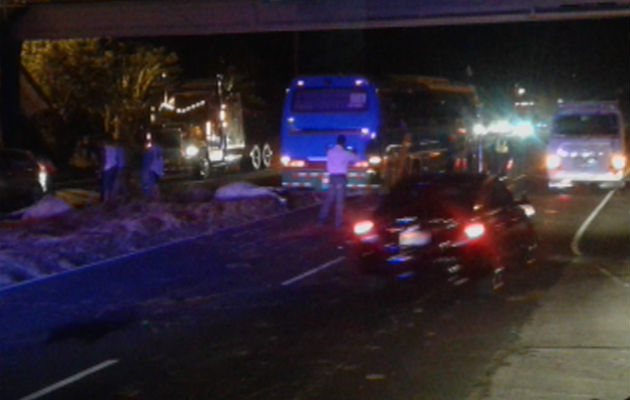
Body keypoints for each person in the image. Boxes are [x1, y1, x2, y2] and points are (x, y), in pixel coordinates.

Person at [317, 135, 360, 228]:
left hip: (331, 178)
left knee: (329, 199)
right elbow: (356, 160)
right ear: (343, 143)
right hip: (341, 178)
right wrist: (354, 153)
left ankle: (321, 220)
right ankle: (338, 224)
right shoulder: (345, 153)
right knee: (339, 201)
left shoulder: (330, 152)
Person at [100, 136, 120, 203]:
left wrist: (101, 168)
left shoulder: (104, 148)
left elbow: (104, 158)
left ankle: (106, 200)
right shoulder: (114, 147)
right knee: (112, 184)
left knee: (106, 185)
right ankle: (112, 199)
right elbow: (117, 157)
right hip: (114, 166)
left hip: (107, 167)